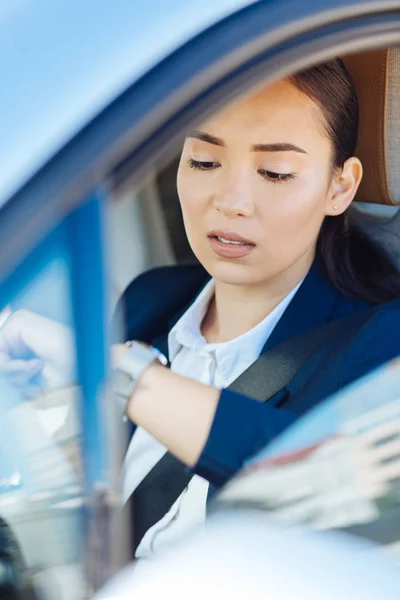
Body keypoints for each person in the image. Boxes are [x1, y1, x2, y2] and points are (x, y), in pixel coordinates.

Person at [2, 59, 400, 561]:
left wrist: (111, 370)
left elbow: (330, 483)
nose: (231, 201)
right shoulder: (150, 301)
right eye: (204, 162)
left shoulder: (381, 341)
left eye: (275, 172)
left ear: (339, 187)